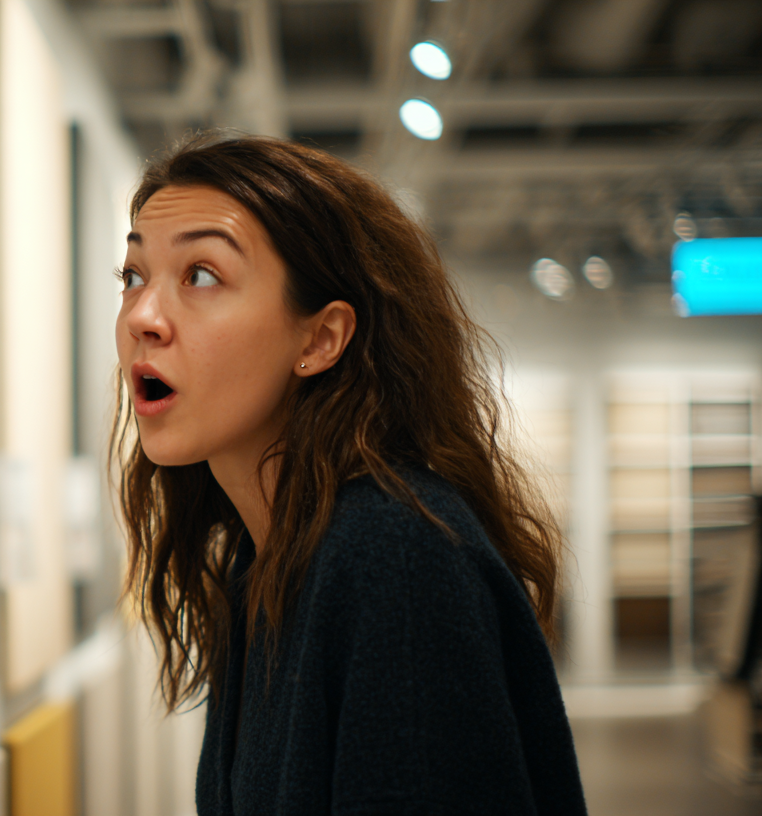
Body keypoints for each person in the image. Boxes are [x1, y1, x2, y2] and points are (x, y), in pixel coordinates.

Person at [112, 134, 587, 815]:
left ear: (320, 339)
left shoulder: (396, 554)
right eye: (132, 276)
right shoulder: (266, 560)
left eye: (202, 276)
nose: (143, 318)